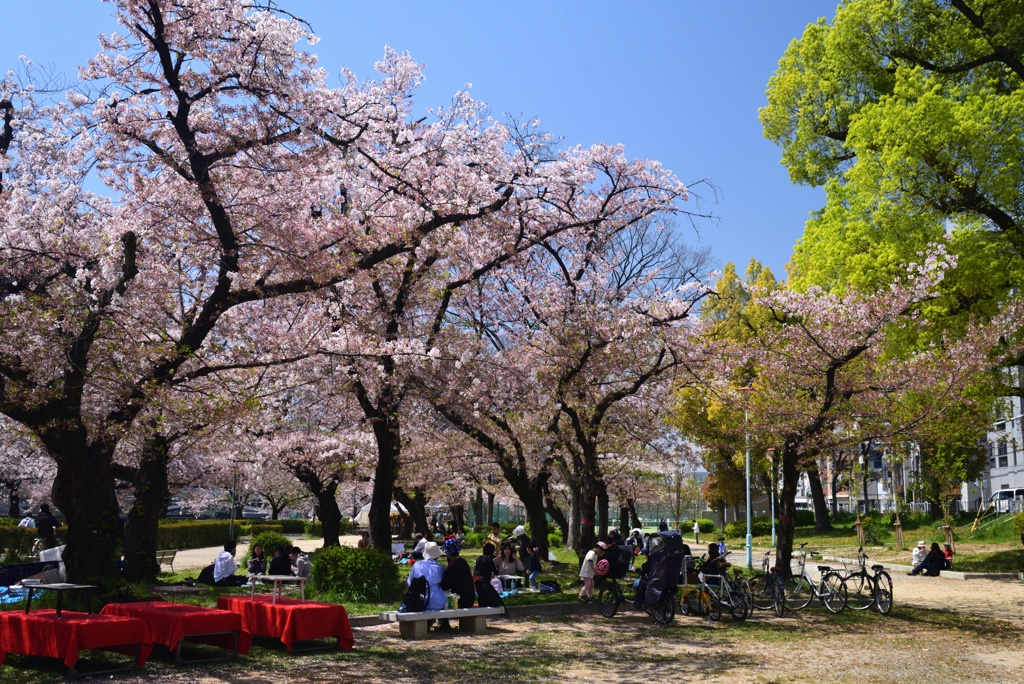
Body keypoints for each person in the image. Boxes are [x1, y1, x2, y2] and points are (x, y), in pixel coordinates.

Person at [407, 541, 446, 611]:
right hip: (437, 602)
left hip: (418, 601)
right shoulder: (440, 568)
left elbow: (410, 582)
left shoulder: (417, 565)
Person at [440, 538, 475, 608]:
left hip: (461, 600)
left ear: (448, 553)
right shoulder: (463, 561)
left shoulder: (453, 566)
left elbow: (445, 586)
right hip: (470, 598)